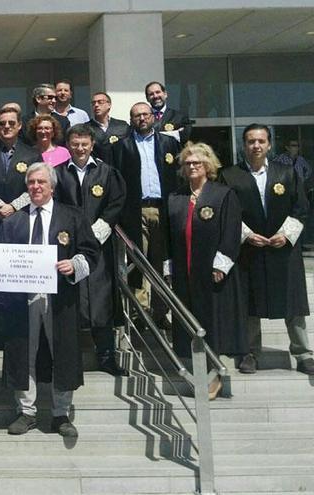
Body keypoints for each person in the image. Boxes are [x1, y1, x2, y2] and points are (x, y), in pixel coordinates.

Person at [0, 162, 98, 438]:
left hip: (60, 297)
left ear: (52, 186)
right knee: (23, 353)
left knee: (61, 351)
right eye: (31, 183)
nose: (36, 187)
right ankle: (26, 412)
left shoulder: (71, 217)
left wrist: (74, 265)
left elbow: (90, 252)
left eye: (41, 182)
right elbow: (0, 258)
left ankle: (60, 413)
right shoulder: (13, 221)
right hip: (23, 299)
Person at [219, 124, 314, 375]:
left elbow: (301, 208)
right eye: (251, 141)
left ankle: (303, 353)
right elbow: (225, 214)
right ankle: (250, 352)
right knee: (250, 303)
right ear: (244, 145)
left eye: (261, 141)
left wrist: (286, 234)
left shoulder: (287, 172)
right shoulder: (229, 176)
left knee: (293, 303)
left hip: (283, 251)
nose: (256, 146)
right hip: (250, 251)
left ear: (269, 144)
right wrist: (247, 235)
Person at [167, 143, 247, 399]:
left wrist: (221, 265)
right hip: (184, 273)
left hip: (212, 274)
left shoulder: (223, 195)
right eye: (188, 163)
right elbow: (169, 237)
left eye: (197, 163)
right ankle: (195, 374)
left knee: (212, 325)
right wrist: (168, 268)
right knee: (190, 326)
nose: (192, 166)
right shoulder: (176, 197)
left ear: (208, 166)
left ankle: (215, 376)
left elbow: (232, 232)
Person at [53, 124, 127, 375]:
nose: (80, 148)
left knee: (101, 300)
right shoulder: (58, 173)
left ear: (92, 145)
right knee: (71, 302)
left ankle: (106, 358)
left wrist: (99, 231)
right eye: (75, 144)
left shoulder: (107, 173)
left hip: (99, 247)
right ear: (68, 146)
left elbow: (116, 203)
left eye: (84, 144)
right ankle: (70, 359)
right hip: (68, 248)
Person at [113, 102, 182, 327]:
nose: (141, 118)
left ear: (153, 117)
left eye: (145, 114)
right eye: (136, 116)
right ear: (131, 120)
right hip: (136, 210)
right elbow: (118, 183)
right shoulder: (121, 146)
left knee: (161, 261)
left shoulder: (169, 143)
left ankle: (161, 312)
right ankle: (140, 313)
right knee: (138, 262)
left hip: (163, 209)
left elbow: (179, 178)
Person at [88, 92, 130, 162]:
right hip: (97, 169)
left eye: (100, 102)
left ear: (109, 105)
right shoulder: (86, 128)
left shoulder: (122, 126)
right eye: (93, 103)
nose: (96, 105)